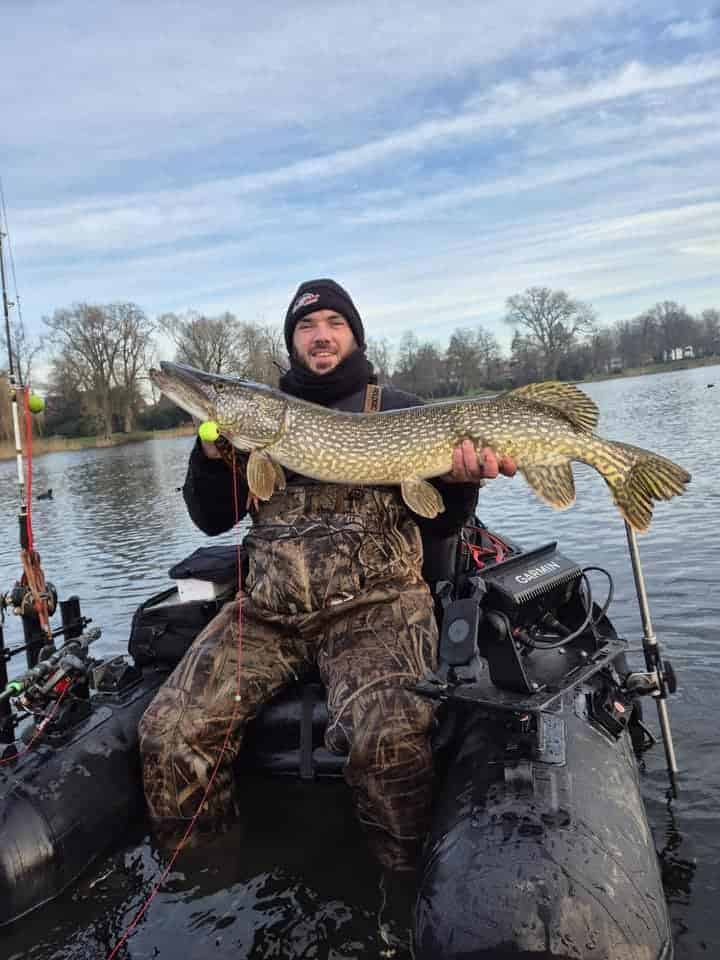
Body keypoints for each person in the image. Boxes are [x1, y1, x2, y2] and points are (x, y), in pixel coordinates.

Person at [139, 279, 515, 871]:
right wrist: (212, 458)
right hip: (267, 614)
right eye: (307, 327)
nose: (321, 335)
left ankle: (400, 886)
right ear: (292, 343)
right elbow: (211, 520)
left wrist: (463, 480)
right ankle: (208, 882)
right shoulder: (251, 425)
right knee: (168, 731)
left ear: (354, 335)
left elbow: (443, 528)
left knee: (388, 736)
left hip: (378, 608)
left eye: (335, 324)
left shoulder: (400, 410)